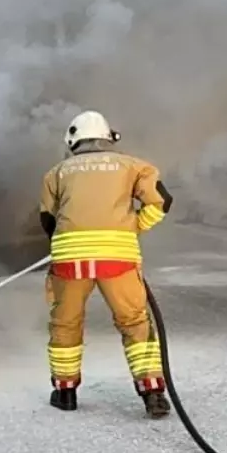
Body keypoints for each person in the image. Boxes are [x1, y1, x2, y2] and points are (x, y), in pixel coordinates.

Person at [38, 110, 175, 419]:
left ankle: (65, 392)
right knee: (134, 322)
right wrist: (135, 226)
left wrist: (67, 245)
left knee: (65, 324)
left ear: (73, 140)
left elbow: (47, 219)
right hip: (118, 259)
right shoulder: (134, 166)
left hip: (69, 261)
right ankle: (153, 393)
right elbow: (162, 201)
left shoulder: (57, 172)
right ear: (107, 138)